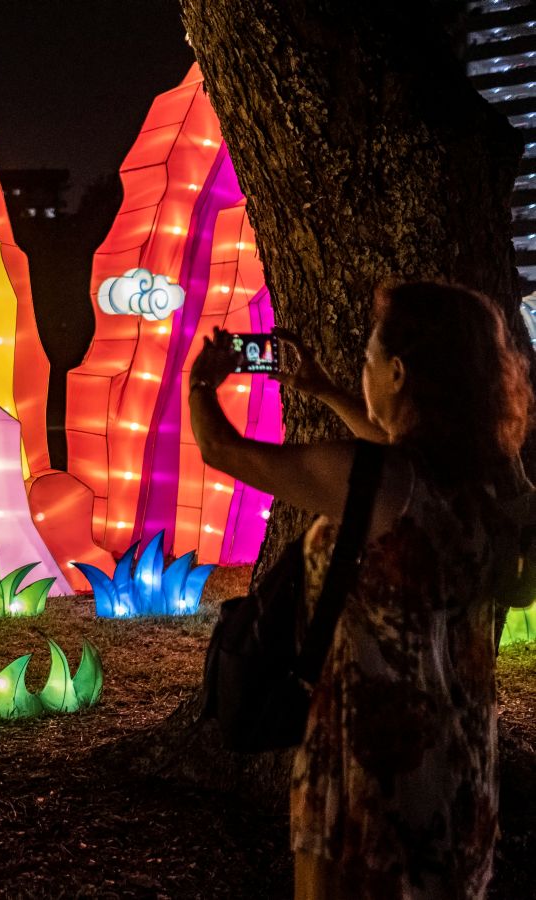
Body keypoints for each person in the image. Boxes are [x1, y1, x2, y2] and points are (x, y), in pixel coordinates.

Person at [188, 281, 533, 898]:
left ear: (398, 373)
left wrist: (201, 384)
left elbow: (223, 450)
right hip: (461, 767)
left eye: (369, 360)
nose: (363, 370)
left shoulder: (376, 482)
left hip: (370, 768)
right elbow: (393, 453)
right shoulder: (489, 488)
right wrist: (320, 389)